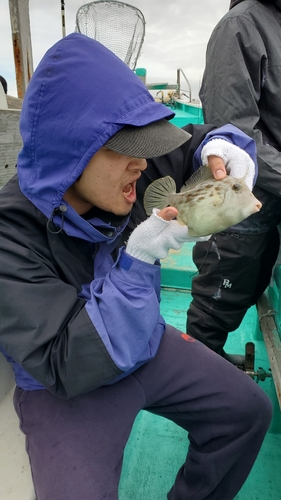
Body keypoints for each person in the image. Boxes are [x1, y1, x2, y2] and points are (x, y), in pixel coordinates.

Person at [0, 33, 272, 500]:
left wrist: (225, 146)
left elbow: (197, 148)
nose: (142, 163)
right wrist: (138, 260)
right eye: (125, 148)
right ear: (74, 152)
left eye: (145, 144)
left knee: (247, 412)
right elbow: (66, 361)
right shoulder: (9, 237)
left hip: (144, 341)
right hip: (68, 386)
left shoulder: (120, 173)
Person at [186, 0, 281, 366]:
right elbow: (234, 134)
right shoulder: (240, 25)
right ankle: (201, 394)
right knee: (217, 302)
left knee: (254, 287)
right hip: (245, 208)